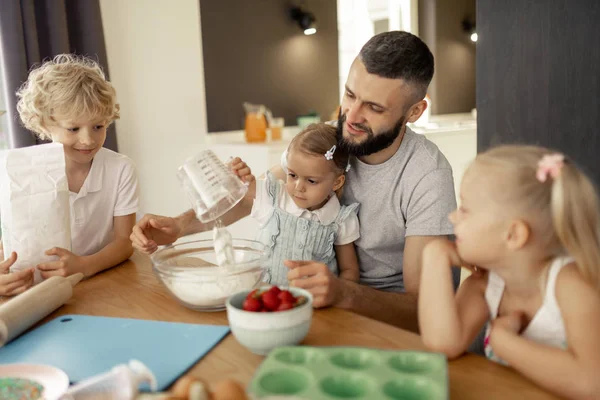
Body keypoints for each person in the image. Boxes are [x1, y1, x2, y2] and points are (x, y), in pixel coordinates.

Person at [131, 31, 456, 331]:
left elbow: (424, 309)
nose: (352, 116)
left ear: (414, 111)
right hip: (319, 305)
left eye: (373, 107)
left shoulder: (427, 177)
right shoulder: (330, 138)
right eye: (349, 94)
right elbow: (253, 196)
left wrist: (345, 293)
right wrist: (178, 226)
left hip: (384, 325)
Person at [419, 145, 600, 399]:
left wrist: (505, 343)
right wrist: (434, 256)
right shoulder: (485, 284)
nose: (452, 216)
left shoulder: (570, 284)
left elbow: (591, 383)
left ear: (513, 235)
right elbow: (444, 344)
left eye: (465, 209)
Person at [6, 54, 139, 286]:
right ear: (45, 124)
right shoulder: (25, 172)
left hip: (102, 280)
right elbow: (12, 245)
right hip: (42, 285)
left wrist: (85, 266)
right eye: (73, 128)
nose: (88, 140)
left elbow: (124, 242)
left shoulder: (120, 169)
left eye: (98, 126)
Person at [234, 123, 360, 287]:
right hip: (259, 297)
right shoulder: (274, 196)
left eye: (311, 180)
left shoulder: (340, 220)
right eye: (292, 175)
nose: (298, 186)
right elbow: (243, 188)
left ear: (337, 182)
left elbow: (350, 271)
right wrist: (240, 174)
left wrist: (336, 295)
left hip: (310, 306)